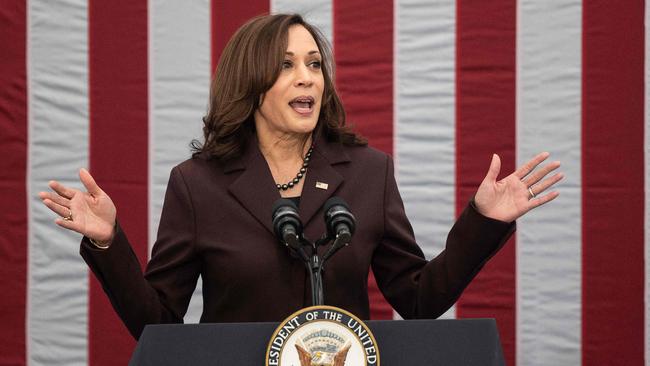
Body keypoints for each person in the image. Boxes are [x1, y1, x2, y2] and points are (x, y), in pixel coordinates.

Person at [38, 14, 562, 340]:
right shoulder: (197, 184)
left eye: (314, 63)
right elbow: (159, 325)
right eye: (287, 65)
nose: (307, 76)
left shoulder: (368, 172)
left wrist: (484, 222)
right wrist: (107, 242)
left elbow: (417, 299)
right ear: (251, 83)